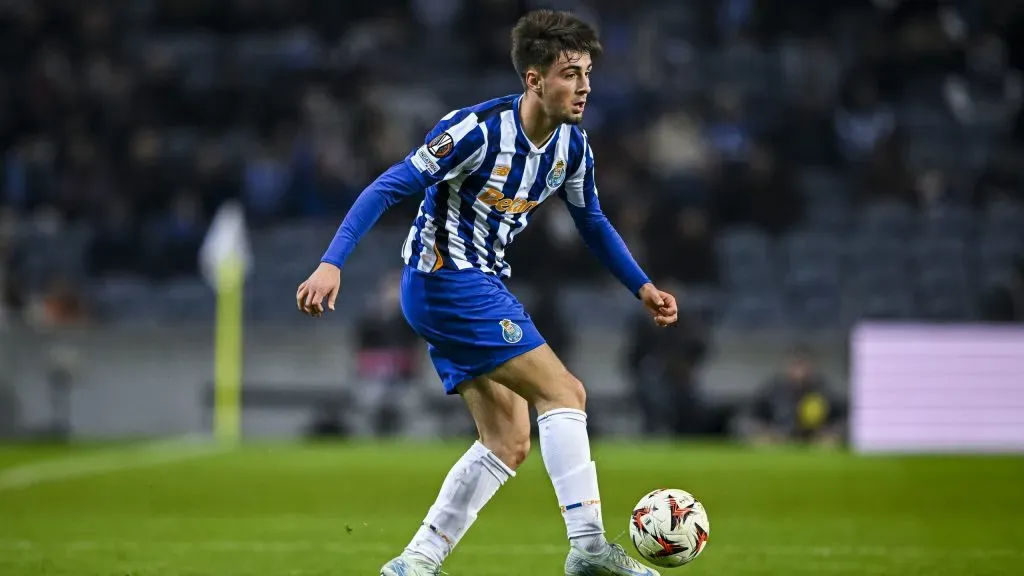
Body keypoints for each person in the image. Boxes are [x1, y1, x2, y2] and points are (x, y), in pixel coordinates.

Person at [296, 10, 677, 576]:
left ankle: (416, 562)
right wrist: (332, 262)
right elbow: (388, 185)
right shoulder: (474, 131)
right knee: (565, 393)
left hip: (473, 285)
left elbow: (591, 221)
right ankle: (590, 548)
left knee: (508, 439)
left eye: (588, 73)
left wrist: (641, 285)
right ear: (534, 79)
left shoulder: (572, 147)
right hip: (447, 280)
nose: (585, 87)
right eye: (571, 73)